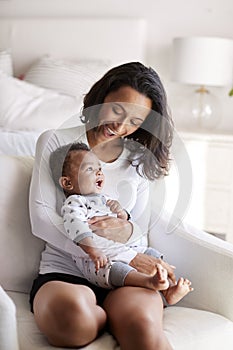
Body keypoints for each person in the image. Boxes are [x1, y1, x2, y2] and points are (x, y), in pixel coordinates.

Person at [29, 61, 190, 350]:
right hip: (66, 273)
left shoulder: (138, 159)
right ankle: (104, 317)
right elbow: (42, 219)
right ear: (101, 97)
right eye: (117, 109)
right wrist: (109, 247)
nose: (120, 126)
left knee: (143, 330)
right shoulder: (57, 142)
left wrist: (127, 234)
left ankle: (121, 315)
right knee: (74, 323)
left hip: (127, 274)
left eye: (135, 120)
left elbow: (139, 228)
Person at [49, 141, 193, 303]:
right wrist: (93, 250)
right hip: (99, 259)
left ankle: (168, 289)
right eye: (90, 169)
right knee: (117, 270)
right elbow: (76, 226)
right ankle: (149, 282)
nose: (98, 173)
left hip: (127, 249)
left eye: (99, 168)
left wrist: (121, 213)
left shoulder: (105, 199)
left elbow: (124, 224)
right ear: (67, 183)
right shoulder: (75, 202)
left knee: (152, 254)